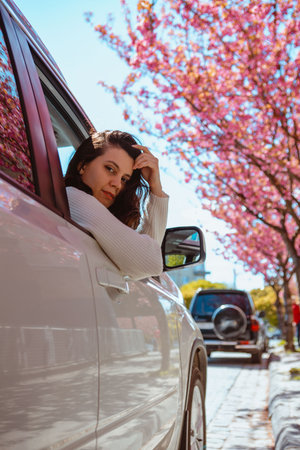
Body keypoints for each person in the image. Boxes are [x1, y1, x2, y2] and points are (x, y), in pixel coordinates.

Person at [65, 130, 169, 280]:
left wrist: (155, 187)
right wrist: (156, 189)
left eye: (124, 179)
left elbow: (148, 260)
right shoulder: (75, 198)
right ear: (82, 165)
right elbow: (150, 263)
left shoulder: (88, 214)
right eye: (110, 169)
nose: (117, 184)